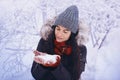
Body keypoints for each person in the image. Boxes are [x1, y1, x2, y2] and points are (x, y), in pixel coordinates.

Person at [31, 5, 88, 80]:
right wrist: (43, 65)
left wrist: (56, 66)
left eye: (65, 31)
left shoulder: (80, 49)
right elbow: (35, 74)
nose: (59, 34)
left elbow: (74, 78)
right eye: (58, 29)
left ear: (72, 34)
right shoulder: (45, 42)